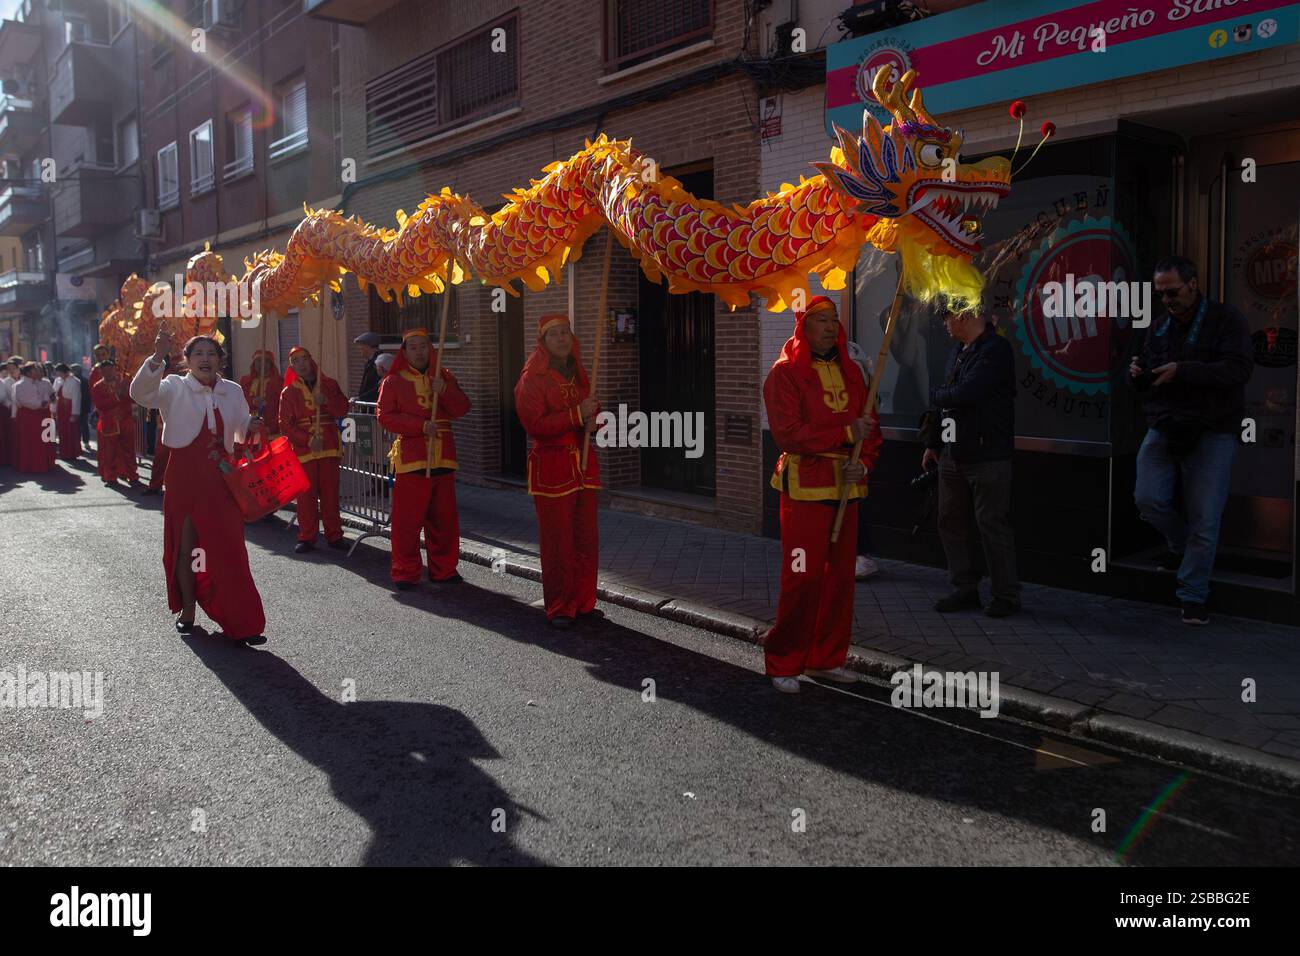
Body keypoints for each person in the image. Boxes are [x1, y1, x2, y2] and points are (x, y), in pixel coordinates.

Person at [763, 296, 882, 693]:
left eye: (834, 320)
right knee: (802, 576)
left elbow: (871, 428)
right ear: (803, 328)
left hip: (848, 486)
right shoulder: (784, 374)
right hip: (805, 489)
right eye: (821, 321)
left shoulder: (855, 372)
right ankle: (784, 661)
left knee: (840, 580)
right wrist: (845, 436)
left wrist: (863, 462)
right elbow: (788, 434)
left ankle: (825, 658)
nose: (831, 327)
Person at [1131, 255, 1253, 626]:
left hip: (1213, 429)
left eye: (1173, 292)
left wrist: (1184, 371)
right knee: (1147, 499)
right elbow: (1148, 377)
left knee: (1206, 517)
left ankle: (1192, 594)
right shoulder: (1159, 327)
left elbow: (1240, 369)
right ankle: (1181, 547)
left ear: (1194, 284)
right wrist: (1137, 375)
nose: (1167, 300)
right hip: (1166, 425)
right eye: (1161, 294)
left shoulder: (1225, 319)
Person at [130, 328, 268, 646]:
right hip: (184, 478)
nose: (205, 359)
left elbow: (242, 430)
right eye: (198, 354)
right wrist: (157, 356)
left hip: (222, 479)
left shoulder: (232, 391)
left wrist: (252, 427)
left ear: (221, 360)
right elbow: (141, 394)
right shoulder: (174, 387)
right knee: (186, 548)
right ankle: (188, 612)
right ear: (187, 361)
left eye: (211, 354)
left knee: (230, 549)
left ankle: (242, 621)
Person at [923, 309, 1020, 618]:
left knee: (992, 525)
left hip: (987, 454)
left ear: (964, 316)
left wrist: (937, 395)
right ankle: (965, 588)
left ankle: (1006, 595)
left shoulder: (995, 350)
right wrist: (934, 444)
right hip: (953, 452)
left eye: (947, 316)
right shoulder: (959, 351)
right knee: (949, 521)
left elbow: (967, 393)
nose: (944, 324)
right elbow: (951, 401)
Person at [514, 314, 601, 629]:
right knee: (558, 541)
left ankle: (583, 599)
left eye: (566, 332)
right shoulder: (532, 378)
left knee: (586, 538)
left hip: (584, 465)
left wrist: (594, 420)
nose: (562, 339)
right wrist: (578, 415)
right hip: (553, 468)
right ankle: (561, 606)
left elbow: (589, 412)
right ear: (544, 341)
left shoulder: (579, 370)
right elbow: (535, 425)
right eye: (555, 335)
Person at [376, 327, 471, 590]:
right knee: (407, 522)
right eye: (413, 347)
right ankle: (405, 572)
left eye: (423, 346)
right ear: (404, 352)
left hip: (444, 457)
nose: (419, 351)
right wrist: (419, 426)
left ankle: (444, 569)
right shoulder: (392, 381)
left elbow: (462, 408)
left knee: (444, 520)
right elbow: (385, 416)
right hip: (412, 459)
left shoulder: (444, 376)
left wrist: (447, 389)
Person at [279, 345, 350, 553]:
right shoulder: (289, 392)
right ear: (291, 366)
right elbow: (285, 425)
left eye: (304, 359)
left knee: (330, 494)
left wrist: (326, 401)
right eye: (295, 362)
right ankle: (307, 536)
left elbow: (343, 409)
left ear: (311, 360)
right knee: (306, 496)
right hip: (304, 450)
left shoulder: (328, 384)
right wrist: (307, 440)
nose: (301, 364)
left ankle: (334, 534)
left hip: (329, 445)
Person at [846, 339, 882, 581]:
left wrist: (864, 462)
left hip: (853, 449)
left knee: (853, 503)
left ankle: (859, 554)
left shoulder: (853, 357)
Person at [90, 361, 139, 487]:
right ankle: (111, 477)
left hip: (126, 421)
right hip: (109, 422)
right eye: (105, 370)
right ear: (101, 372)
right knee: (109, 452)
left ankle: (132, 475)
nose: (108, 373)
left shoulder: (124, 382)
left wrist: (135, 415)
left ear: (114, 369)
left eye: (110, 369)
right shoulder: (97, 387)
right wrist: (116, 396)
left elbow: (134, 398)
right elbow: (100, 405)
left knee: (129, 450)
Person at [11, 362, 57, 473]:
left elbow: (50, 396)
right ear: (28, 372)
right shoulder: (19, 385)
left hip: (43, 413)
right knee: (31, 440)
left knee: (45, 438)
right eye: (35, 370)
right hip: (29, 415)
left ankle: (46, 461)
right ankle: (31, 464)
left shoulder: (42, 382)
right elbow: (25, 401)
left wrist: (48, 401)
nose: (38, 372)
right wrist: (42, 403)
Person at [239, 350, 283, 439]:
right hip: (250, 431)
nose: (262, 364)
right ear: (254, 363)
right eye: (258, 361)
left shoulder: (280, 382)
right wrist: (253, 402)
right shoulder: (245, 381)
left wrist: (272, 427)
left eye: (266, 361)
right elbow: (239, 404)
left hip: (273, 432)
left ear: (271, 364)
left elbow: (284, 408)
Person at [52, 364, 81, 460]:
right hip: (61, 408)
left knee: (71, 430)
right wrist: (53, 409)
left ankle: (72, 452)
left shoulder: (75, 381)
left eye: (60, 373)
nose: (59, 375)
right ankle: (63, 451)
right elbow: (54, 395)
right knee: (62, 430)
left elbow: (76, 398)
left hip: (69, 407)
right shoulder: (58, 381)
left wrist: (75, 413)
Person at [355, 332, 382, 402]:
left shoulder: (380, 363)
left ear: (368, 346)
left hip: (375, 407)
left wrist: (361, 398)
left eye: (361, 345)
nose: (359, 348)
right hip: (368, 406)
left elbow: (379, 387)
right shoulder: (369, 363)